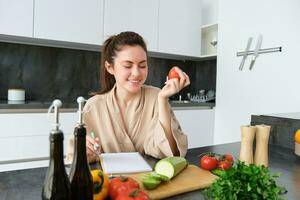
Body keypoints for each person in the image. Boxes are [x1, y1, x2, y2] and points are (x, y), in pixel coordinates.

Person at [67, 31, 190, 163]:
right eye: (127, 66)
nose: (136, 73)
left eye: (142, 65)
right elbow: (74, 159)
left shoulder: (156, 97)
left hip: (150, 180)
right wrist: (86, 155)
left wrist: (162, 100)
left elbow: (172, 153)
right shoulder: (93, 106)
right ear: (110, 67)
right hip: (109, 182)